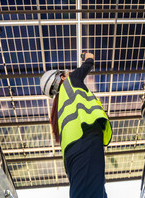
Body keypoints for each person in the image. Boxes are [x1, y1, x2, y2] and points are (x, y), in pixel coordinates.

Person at [40, 52, 112, 198]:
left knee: (95, 192)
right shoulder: (70, 82)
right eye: (63, 74)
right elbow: (89, 62)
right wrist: (86, 54)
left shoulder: (58, 110)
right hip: (86, 137)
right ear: (61, 77)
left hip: (72, 154)